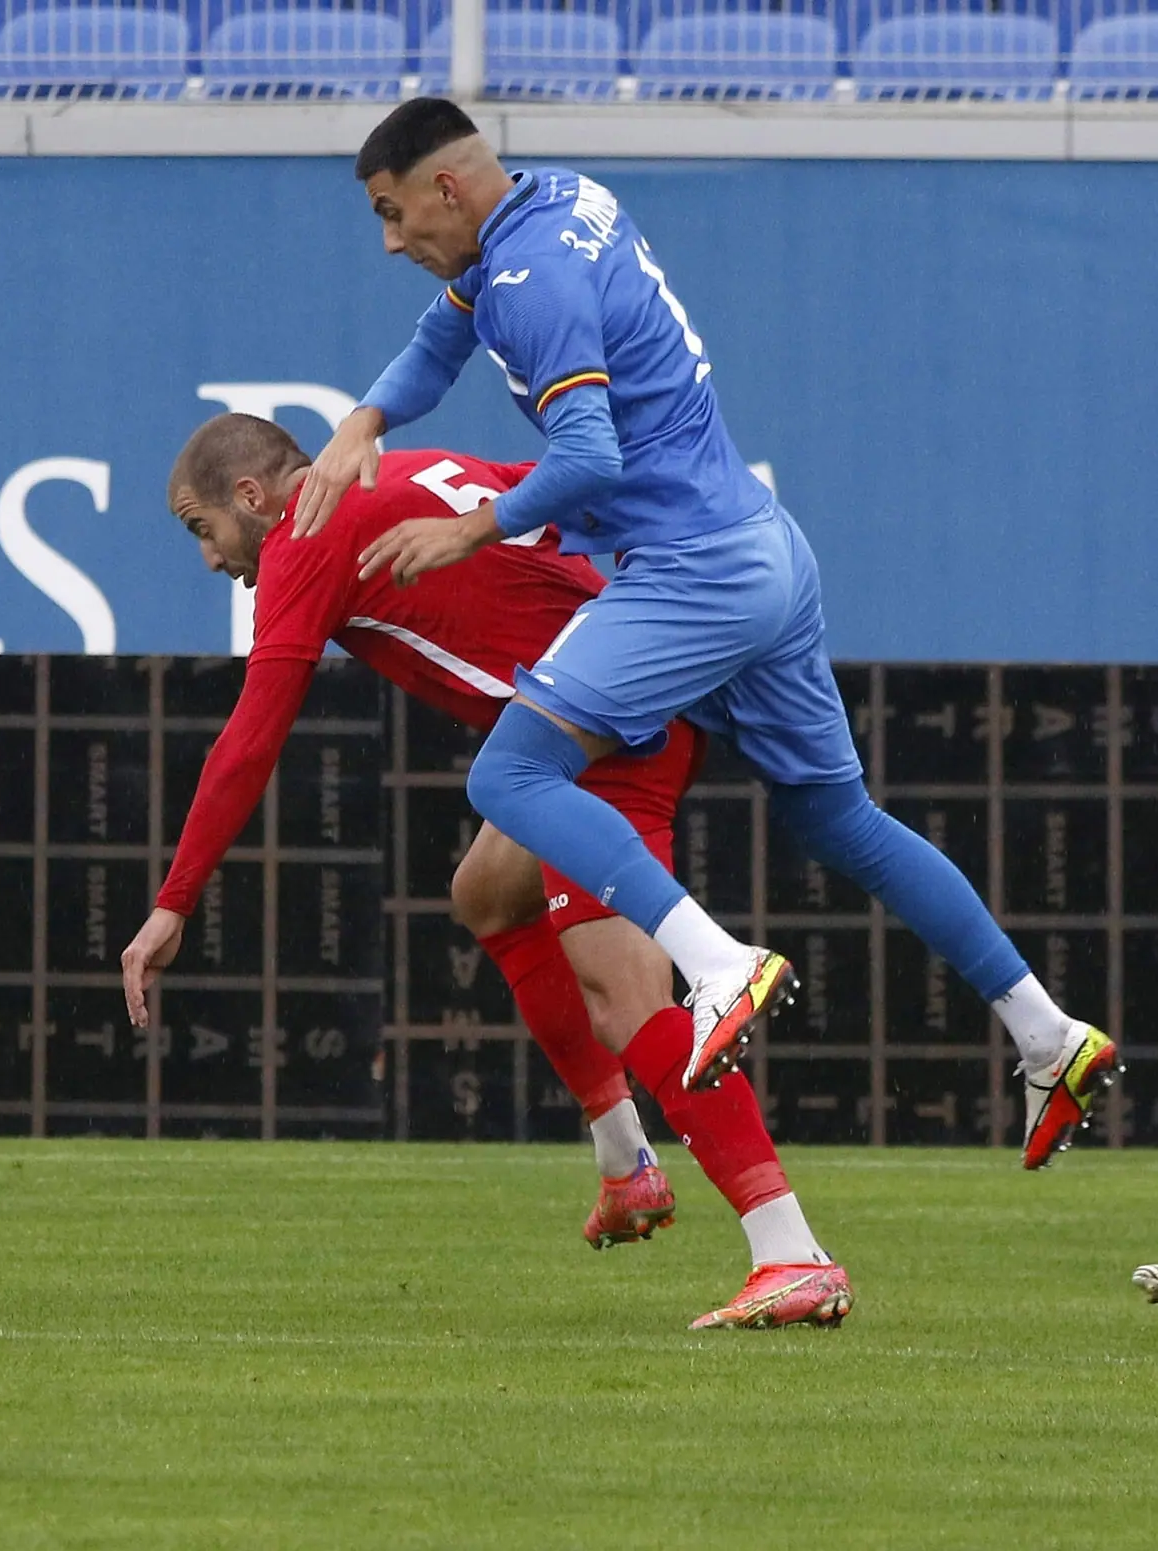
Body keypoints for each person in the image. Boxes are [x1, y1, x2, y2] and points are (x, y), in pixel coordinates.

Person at [292, 96, 1120, 1171]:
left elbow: (588, 457)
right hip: (764, 547)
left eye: (391, 212)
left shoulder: (531, 280)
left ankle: (718, 962)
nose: (391, 240)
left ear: (444, 187)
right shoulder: (560, 202)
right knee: (842, 819)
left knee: (509, 777)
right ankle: (1045, 1031)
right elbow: (441, 334)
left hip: (692, 573)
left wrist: (469, 530)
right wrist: (364, 418)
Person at [120, 412, 853, 1330]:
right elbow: (569, 488)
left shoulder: (305, 534)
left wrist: (173, 902)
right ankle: (626, 1162)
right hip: (617, 702)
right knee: (487, 893)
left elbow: (249, 740)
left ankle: (790, 1251)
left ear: (251, 496)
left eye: (203, 529)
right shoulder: (418, 469)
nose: (208, 557)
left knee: (628, 1002)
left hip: (609, 732)